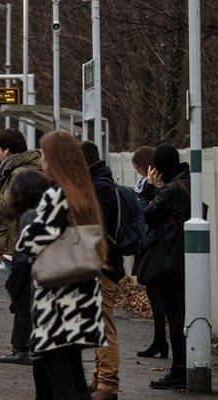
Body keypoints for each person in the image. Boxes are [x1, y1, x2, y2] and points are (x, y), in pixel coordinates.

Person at [16, 129, 105, 400]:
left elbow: (30, 242)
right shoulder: (84, 193)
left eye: (44, 156)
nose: (42, 162)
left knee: (60, 380)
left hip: (57, 299)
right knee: (74, 375)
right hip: (83, 294)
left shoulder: (56, 196)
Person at [0, 129, 42, 364]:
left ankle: (22, 348)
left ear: (6, 150)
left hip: (16, 241)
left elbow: (6, 206)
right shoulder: (32, 167)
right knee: (24, 296)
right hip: (24, 239)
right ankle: (26, 346)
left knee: (20, 297)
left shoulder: (18, 173)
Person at [142, 143, 191, 390]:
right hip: (188, 261)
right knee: (185, 316)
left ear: (159, 168)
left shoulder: (170, 190)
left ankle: (179, 369)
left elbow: (146, 215)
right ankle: (186, 366)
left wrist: (149, 188)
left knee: (175, 316)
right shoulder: (189, 183)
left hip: (170, 262)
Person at [80, 141, 122, 400]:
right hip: (105, 264)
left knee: (104, 327)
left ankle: (108, 383)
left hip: (102, 266)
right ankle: (99, 378)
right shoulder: (104, 185)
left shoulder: (99, 189)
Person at [4, 168, 52, 371]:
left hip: (34, 280)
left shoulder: (29, 217)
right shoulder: (50, 210)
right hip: (52, 280)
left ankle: (22, 348)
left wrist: (12, 285)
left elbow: (23, 259)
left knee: (23, 307)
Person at [130, 146, 168, 359]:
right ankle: (160, 340)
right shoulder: (150, 185)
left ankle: (161, 340)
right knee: (156, 297)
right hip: (151, 244)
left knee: (157, 297)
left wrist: (149, 190)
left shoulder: (154, 187)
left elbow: (146, 212)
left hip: (153, 245)